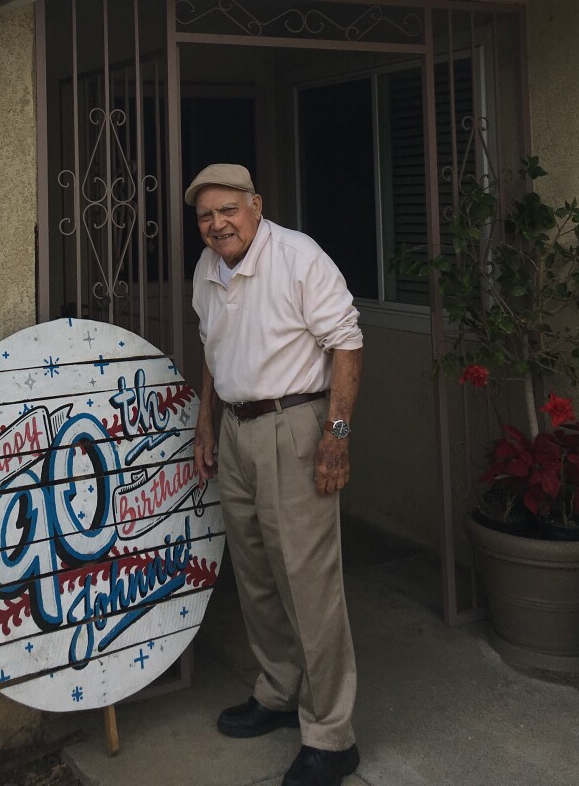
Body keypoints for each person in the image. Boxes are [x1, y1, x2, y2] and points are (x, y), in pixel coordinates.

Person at [188, 163, 363, 786]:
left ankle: (331, 734)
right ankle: (277, 691)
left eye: (228, 210)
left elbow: (347, 343)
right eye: (206, 216)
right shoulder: (208, 271)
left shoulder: (297, 257)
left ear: (255, 205)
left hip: (295, 426)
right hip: (235, 430)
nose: (217, 224)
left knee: (307, 579)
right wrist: (207, 425)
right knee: (257, 571)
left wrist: (335, 438)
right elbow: (212, 353)